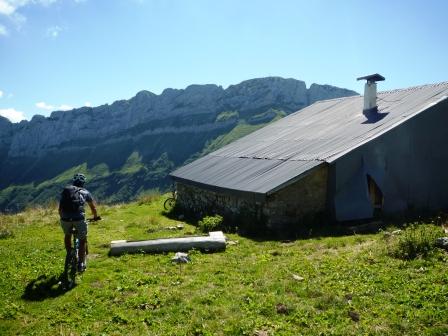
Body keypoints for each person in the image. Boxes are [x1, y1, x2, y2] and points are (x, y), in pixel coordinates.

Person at [59, 173, 100, 272]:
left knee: (67, 234)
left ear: (73, 182)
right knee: (82, 240)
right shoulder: (86, 192)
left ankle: (69, 253)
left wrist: (64, 218)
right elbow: (93, 207)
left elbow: (60, 209)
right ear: (83, 183)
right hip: (79, 218)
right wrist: (95, 217)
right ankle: (81, 263)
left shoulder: (66, 192)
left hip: (65, 218)